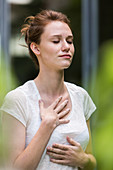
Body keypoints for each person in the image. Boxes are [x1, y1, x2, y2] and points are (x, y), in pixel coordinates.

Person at [0, 10, 96, 170]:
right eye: (56, 41)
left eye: (70, 41)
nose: (66, 47)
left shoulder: (81, 96)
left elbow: (92, 160)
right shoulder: (18, 99)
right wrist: (47, 126)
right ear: (36, 48)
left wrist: (84, 160)